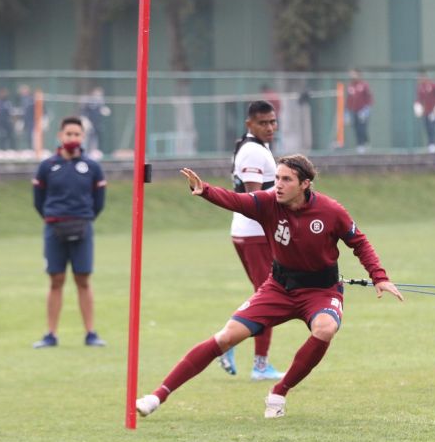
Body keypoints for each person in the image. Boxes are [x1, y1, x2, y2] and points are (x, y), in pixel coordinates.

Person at [136, 155, 403, 419]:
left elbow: (359, 242)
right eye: (276, 178)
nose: (278, 184)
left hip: (321, 292)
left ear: (305, 184)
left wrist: (379, 276)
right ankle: (157, 396)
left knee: (325, 329)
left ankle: (279, 392)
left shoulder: (331, 211)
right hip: (278, 288)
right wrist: (204, 190)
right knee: (226, 337)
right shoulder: (267, 202)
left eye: (286, 179)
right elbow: (235, 200)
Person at [220, 100, 286, 381]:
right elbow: (254, 201)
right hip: (255, 234)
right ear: (250, 124)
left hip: (251, 233)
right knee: (269, 298)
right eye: (263, 123)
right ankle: (252, 360)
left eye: (273, 121)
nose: (270, 127)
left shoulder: (258, 148)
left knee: (265, 295)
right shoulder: (252, 152)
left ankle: (236, 346)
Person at [31, 116, 107, 349]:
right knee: (56, 279)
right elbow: (38, 200)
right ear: (60, 136)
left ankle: (91, 333)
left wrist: (84, 217)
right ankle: (51, 334)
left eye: (76, 134)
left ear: (82, 137)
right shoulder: (47, 166)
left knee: (83, 279)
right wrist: (52, 217)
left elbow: (99, 202)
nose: (72, 138)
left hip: (82, 227)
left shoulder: (92, 167)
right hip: (54, 229)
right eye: (68, 134)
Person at [414, 71, 435, 153]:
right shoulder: (420, 87)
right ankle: (430, 146)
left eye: (421, 77)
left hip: (433, 111)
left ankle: (433, 145)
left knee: (432, 128)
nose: (419, 79)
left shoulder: (432, 85)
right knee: (427, 128)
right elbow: (419, 99)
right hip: (426, 112)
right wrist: (417, 105)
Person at [346, 69, 373, 153]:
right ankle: (360, 145)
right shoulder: (350, 86)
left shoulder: (364, 85)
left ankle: (364, 143)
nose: (352, 76)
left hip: (362, 111)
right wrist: (346, 112)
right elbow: (348, 100)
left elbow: (369, 98)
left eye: (354, 74)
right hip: (353, 111)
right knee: (356, 127)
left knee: (362, 128)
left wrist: (366, 109)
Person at [80, 87, 110, 153]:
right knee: (85, 139)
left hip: (96, 126)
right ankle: (84, 151)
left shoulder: (100, 103)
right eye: (97, 94)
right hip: (88, 125)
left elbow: (104, 111)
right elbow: (83, 113)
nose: (98, 96)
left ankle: (93, 152)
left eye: (100, 94)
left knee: (94, 139)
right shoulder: (88, 102)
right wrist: (86, 122)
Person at [18, 85, 35, 150]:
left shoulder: (31, 98)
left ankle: (31, 149)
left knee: (31, 136)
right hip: (25, 121)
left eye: (24, 91)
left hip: (32, 120)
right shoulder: (22, 99)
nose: (23, 93)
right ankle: (25, 149)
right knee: (25, 135)